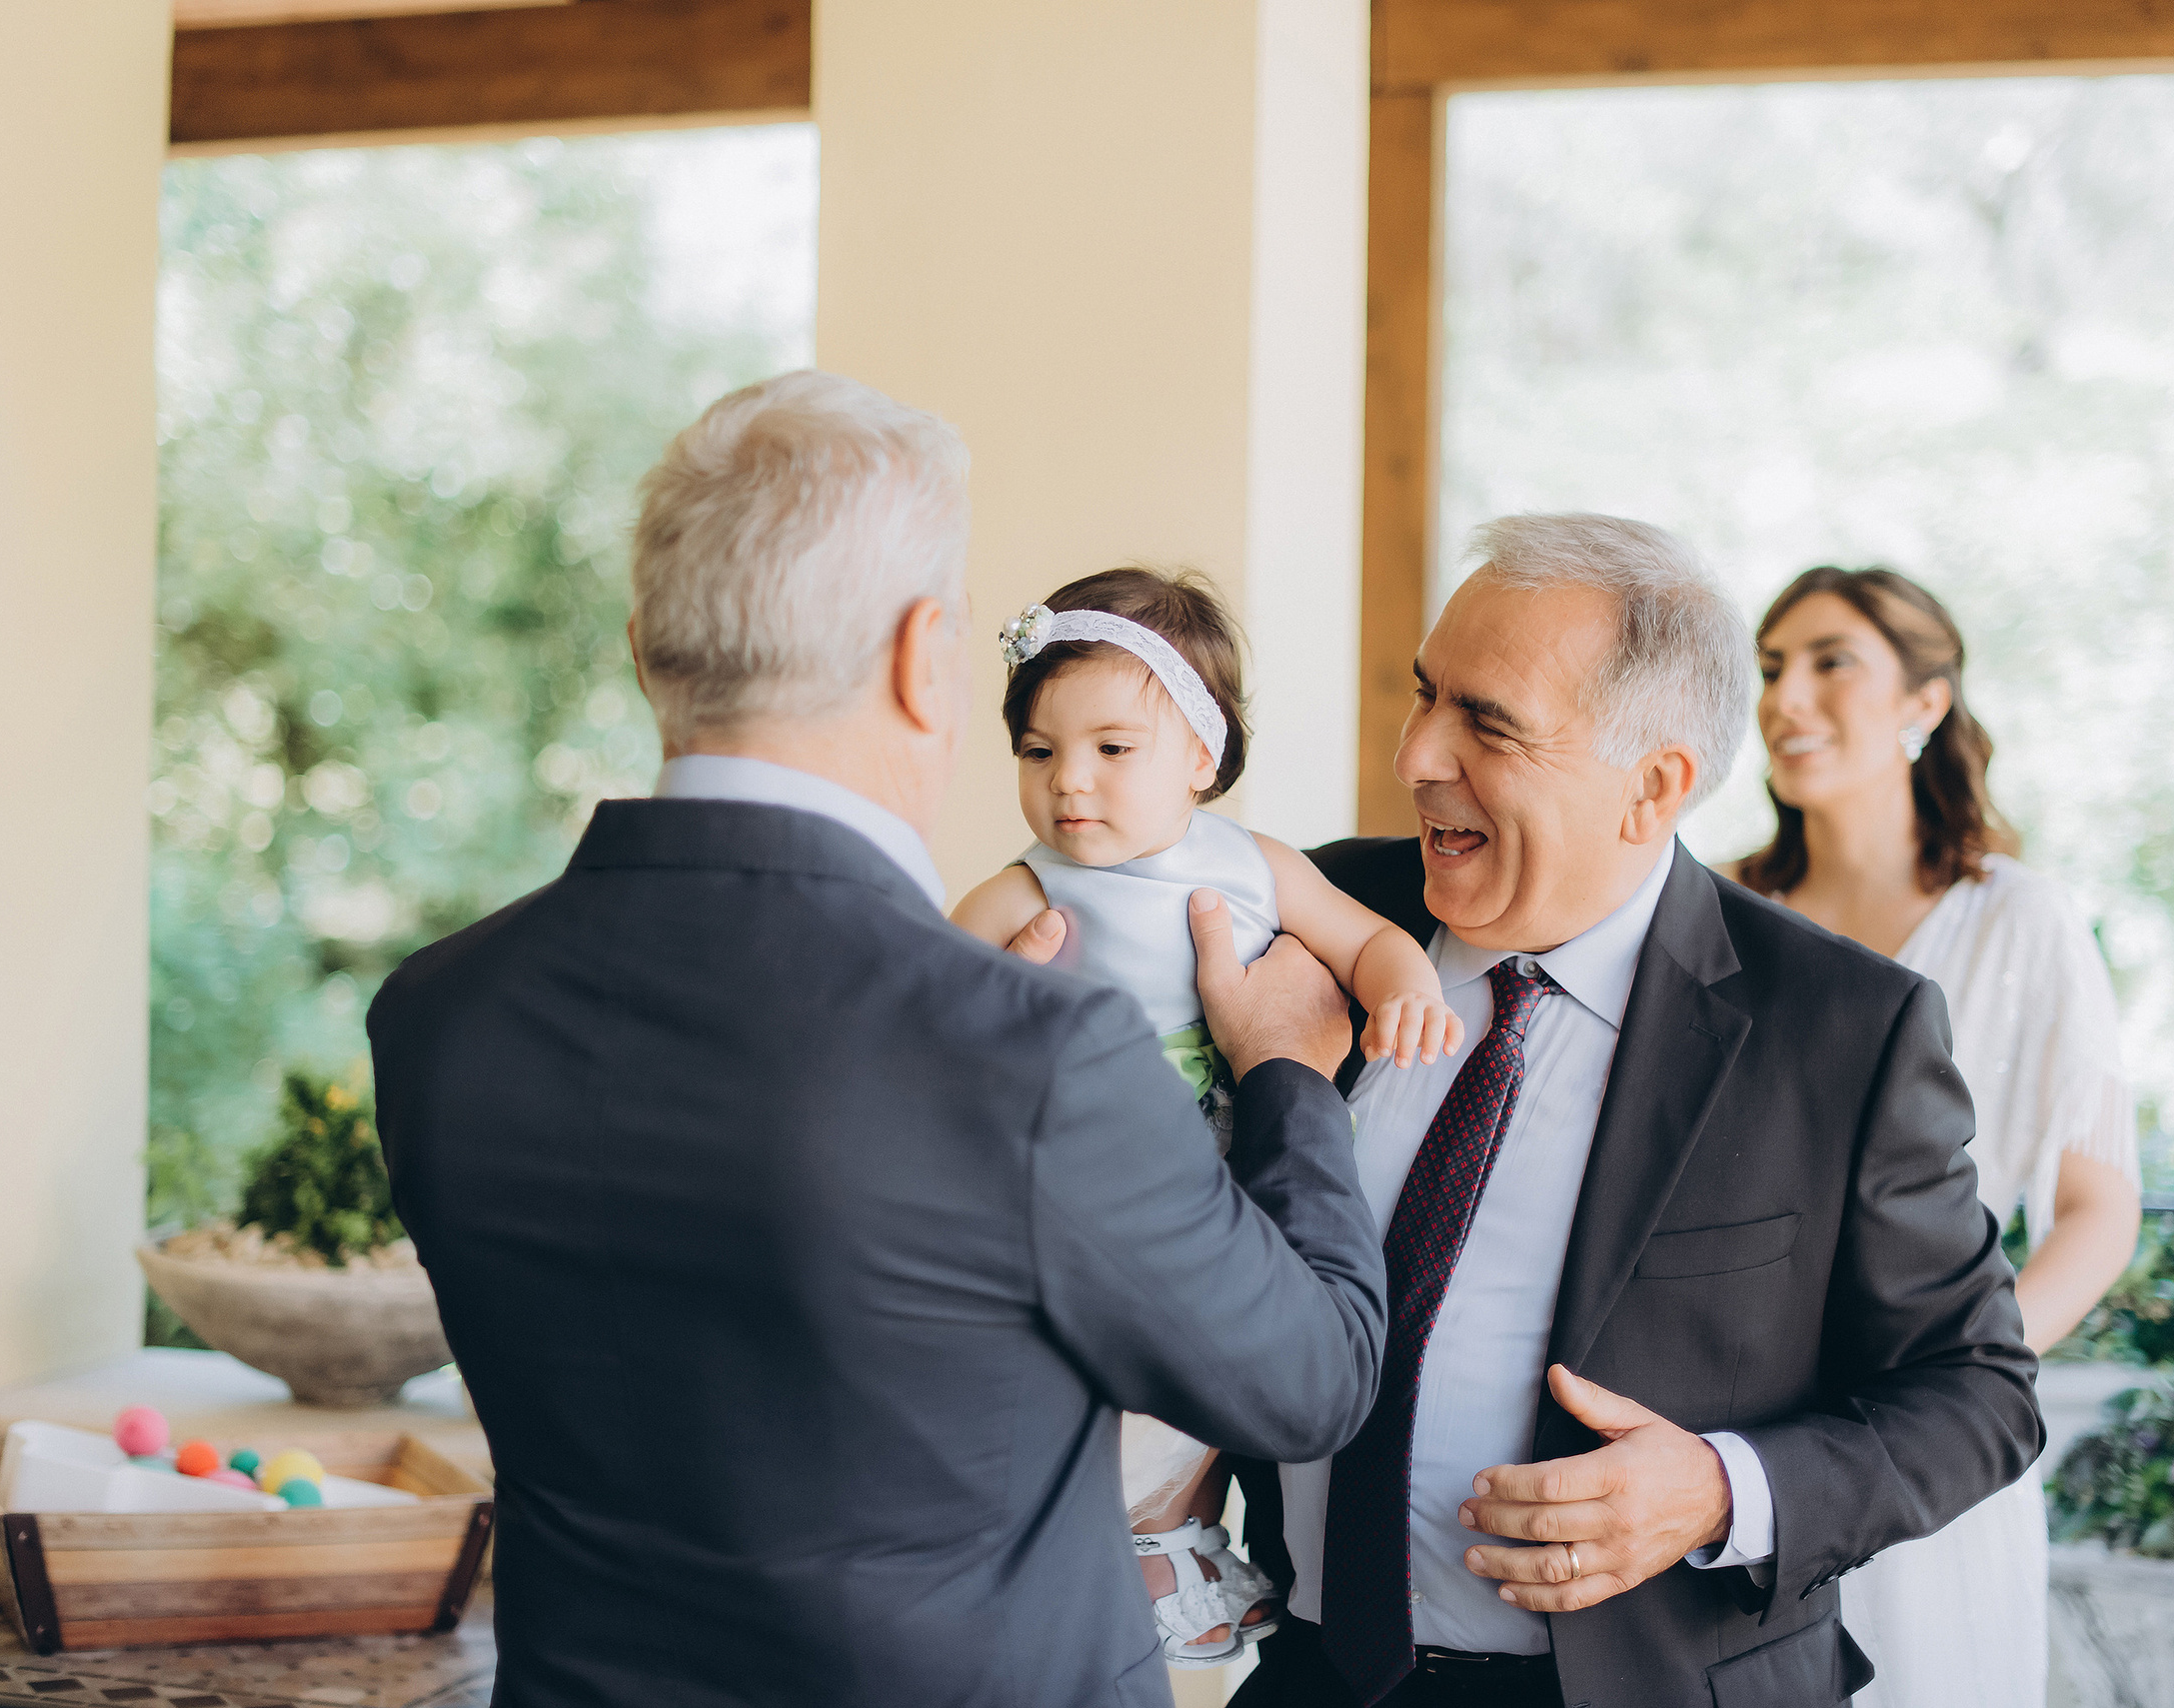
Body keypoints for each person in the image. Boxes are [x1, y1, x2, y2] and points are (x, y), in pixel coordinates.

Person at [365, 371, 1386, 1708]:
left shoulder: (441, 1012)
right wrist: (1290, 1075)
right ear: (925, 656)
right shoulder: (1024, 1050)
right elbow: (1308, 1378)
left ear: (643, 647)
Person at [1206, 514, 2040, 1708]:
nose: (1418, 754)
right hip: (1310, 1673)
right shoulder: (1310, 918)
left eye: (1487, 722)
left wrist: (1719, 1486)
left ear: (1652, 786)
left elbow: (1977, 1392)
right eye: (1424, 693)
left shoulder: (1845, 1029)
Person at [954, 567, 1461, 1669]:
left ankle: (1183, 1550)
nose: (1067, 782)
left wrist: (1406, 986)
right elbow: (924, 1001)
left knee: (1221, 1387)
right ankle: (1123, 1554)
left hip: (1236, 1184)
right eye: (1037, 752)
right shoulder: (1025, 889)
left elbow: (1366, 939)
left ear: (1201, 751)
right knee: (1103, 1385)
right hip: (1092, 1197)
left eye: (1110, 748)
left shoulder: (1254, 867)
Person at [1736, 566, 2143, 1708]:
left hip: (1935, 1455)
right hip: (1736, 1435)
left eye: (1829, 661)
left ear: (1925, 702)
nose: (1785, 696)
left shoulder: (2027, 919)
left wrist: (1958, 1381)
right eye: (1770, 668)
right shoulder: (1722, 914)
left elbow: (2099, 1210)